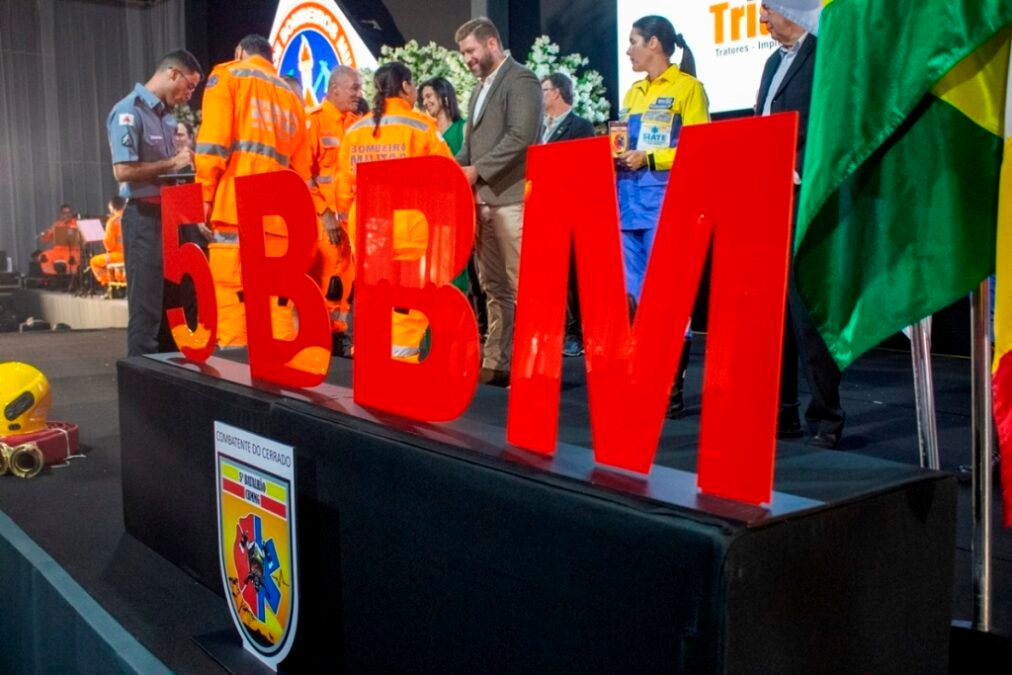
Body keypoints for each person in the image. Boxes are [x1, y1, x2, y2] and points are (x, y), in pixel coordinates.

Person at [756, 2, 844, 449]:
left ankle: (826, 419)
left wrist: (797, 167)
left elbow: (836, 122)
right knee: (772, 317)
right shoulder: (772, 62)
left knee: (807, 315)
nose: (762, 19)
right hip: (768, 202)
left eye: (767, 9)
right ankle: (782, 414)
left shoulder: (825, 53)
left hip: (805, 199)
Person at [617, 15, 709, 417]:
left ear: (654, 43)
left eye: (633, 42)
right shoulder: (633, 91)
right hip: (627, 205)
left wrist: (652, 157)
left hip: (665, 204)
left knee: (667, 295)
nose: (628, 51)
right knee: (634, 296)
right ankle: (643, 378)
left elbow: (701, 146)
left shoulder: (688, 88)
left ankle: (671, 387)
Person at [195, 34, 310, 347]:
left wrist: (203, 197)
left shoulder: (228, 76)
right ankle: (282, 370)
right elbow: (301, 170)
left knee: (234, 297)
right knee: (277, 303)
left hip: (235, 210)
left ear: (239, 52)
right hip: (279, 220)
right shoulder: (290, 97)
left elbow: (213, 144)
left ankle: (236, 372)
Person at [335, 62, 454, 362]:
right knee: (406, 308)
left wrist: (350, 225)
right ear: (405, 86)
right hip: (409, 230)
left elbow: (343, 189)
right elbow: (448, 177)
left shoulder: (356, 130)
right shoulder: (421, 126)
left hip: (366, 231)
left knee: (373, 301)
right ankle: (401, 368)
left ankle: (369, 364)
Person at [455, 17, 542, 386]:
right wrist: (453, 170)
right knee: (493, 287)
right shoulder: (479, 90)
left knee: (524, 286)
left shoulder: (521, 79)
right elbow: (469, 147)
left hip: (512, 200)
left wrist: (477, 171)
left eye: (470, 51)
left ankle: (536, 365)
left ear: (492, 43)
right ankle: (497, 361)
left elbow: (522, 136)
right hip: (483, 202)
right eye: (463, 54)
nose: (467, 59)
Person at [107, 49, 201, 356]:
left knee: (175, 305)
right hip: (144, 218)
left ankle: (169, 373)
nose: (189, 95)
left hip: (173, 216)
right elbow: (123, 171)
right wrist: (172, 163)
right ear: (173, 73)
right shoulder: (128, 111)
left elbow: (173, 171)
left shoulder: (169, 116)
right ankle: (139, 378)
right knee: (146, 310)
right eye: (189, 86)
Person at [305, 66, 362, 353]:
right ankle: (321, 334)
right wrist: (324, 213)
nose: (359, 94)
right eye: (354, 88)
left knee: (345, 278)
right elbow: (303, 174)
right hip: (324, 218)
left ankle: (338, 334)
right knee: (327, 276)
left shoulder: (356, 124)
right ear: (334, 89)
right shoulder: (314, 122)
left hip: (349, 218)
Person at [541, 72, 596, 357]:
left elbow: (585, 169)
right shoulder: (539, 128)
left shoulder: (580, 126)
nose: (540, 95)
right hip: (543, 210)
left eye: (544, 89)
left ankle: (576, 333)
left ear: (557, 92)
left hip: (571, 209)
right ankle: (556, 329)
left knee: (573, 275)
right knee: (551, 275)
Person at [418, 76, 473, 304]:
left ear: (444, 95)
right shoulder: (425, 130)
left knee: (456, 270)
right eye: (423, 98)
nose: (426, 102)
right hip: (430, 212)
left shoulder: (463, 128)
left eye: (429, 96)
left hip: (457, 209)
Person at [89, 196, 126, 287]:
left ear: (113, 207)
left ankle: (108, 284)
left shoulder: (112, 221)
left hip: (119, 256)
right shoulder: (131, 218)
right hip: (134, 255)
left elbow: (109, 246)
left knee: (94, 262)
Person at [37, 204, 82, 276]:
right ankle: (53, 277)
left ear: (71, 213)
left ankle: (70, 279)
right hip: (58, 251)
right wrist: (44, 235)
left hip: (72, 251)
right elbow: (46, 239)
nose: (67, 215)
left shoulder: (77, 224)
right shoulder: (57, 224)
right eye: (64, 213)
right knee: (44, 256)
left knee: (72, 259)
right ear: (61, 214)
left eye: (69, 213)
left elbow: (83, 239)